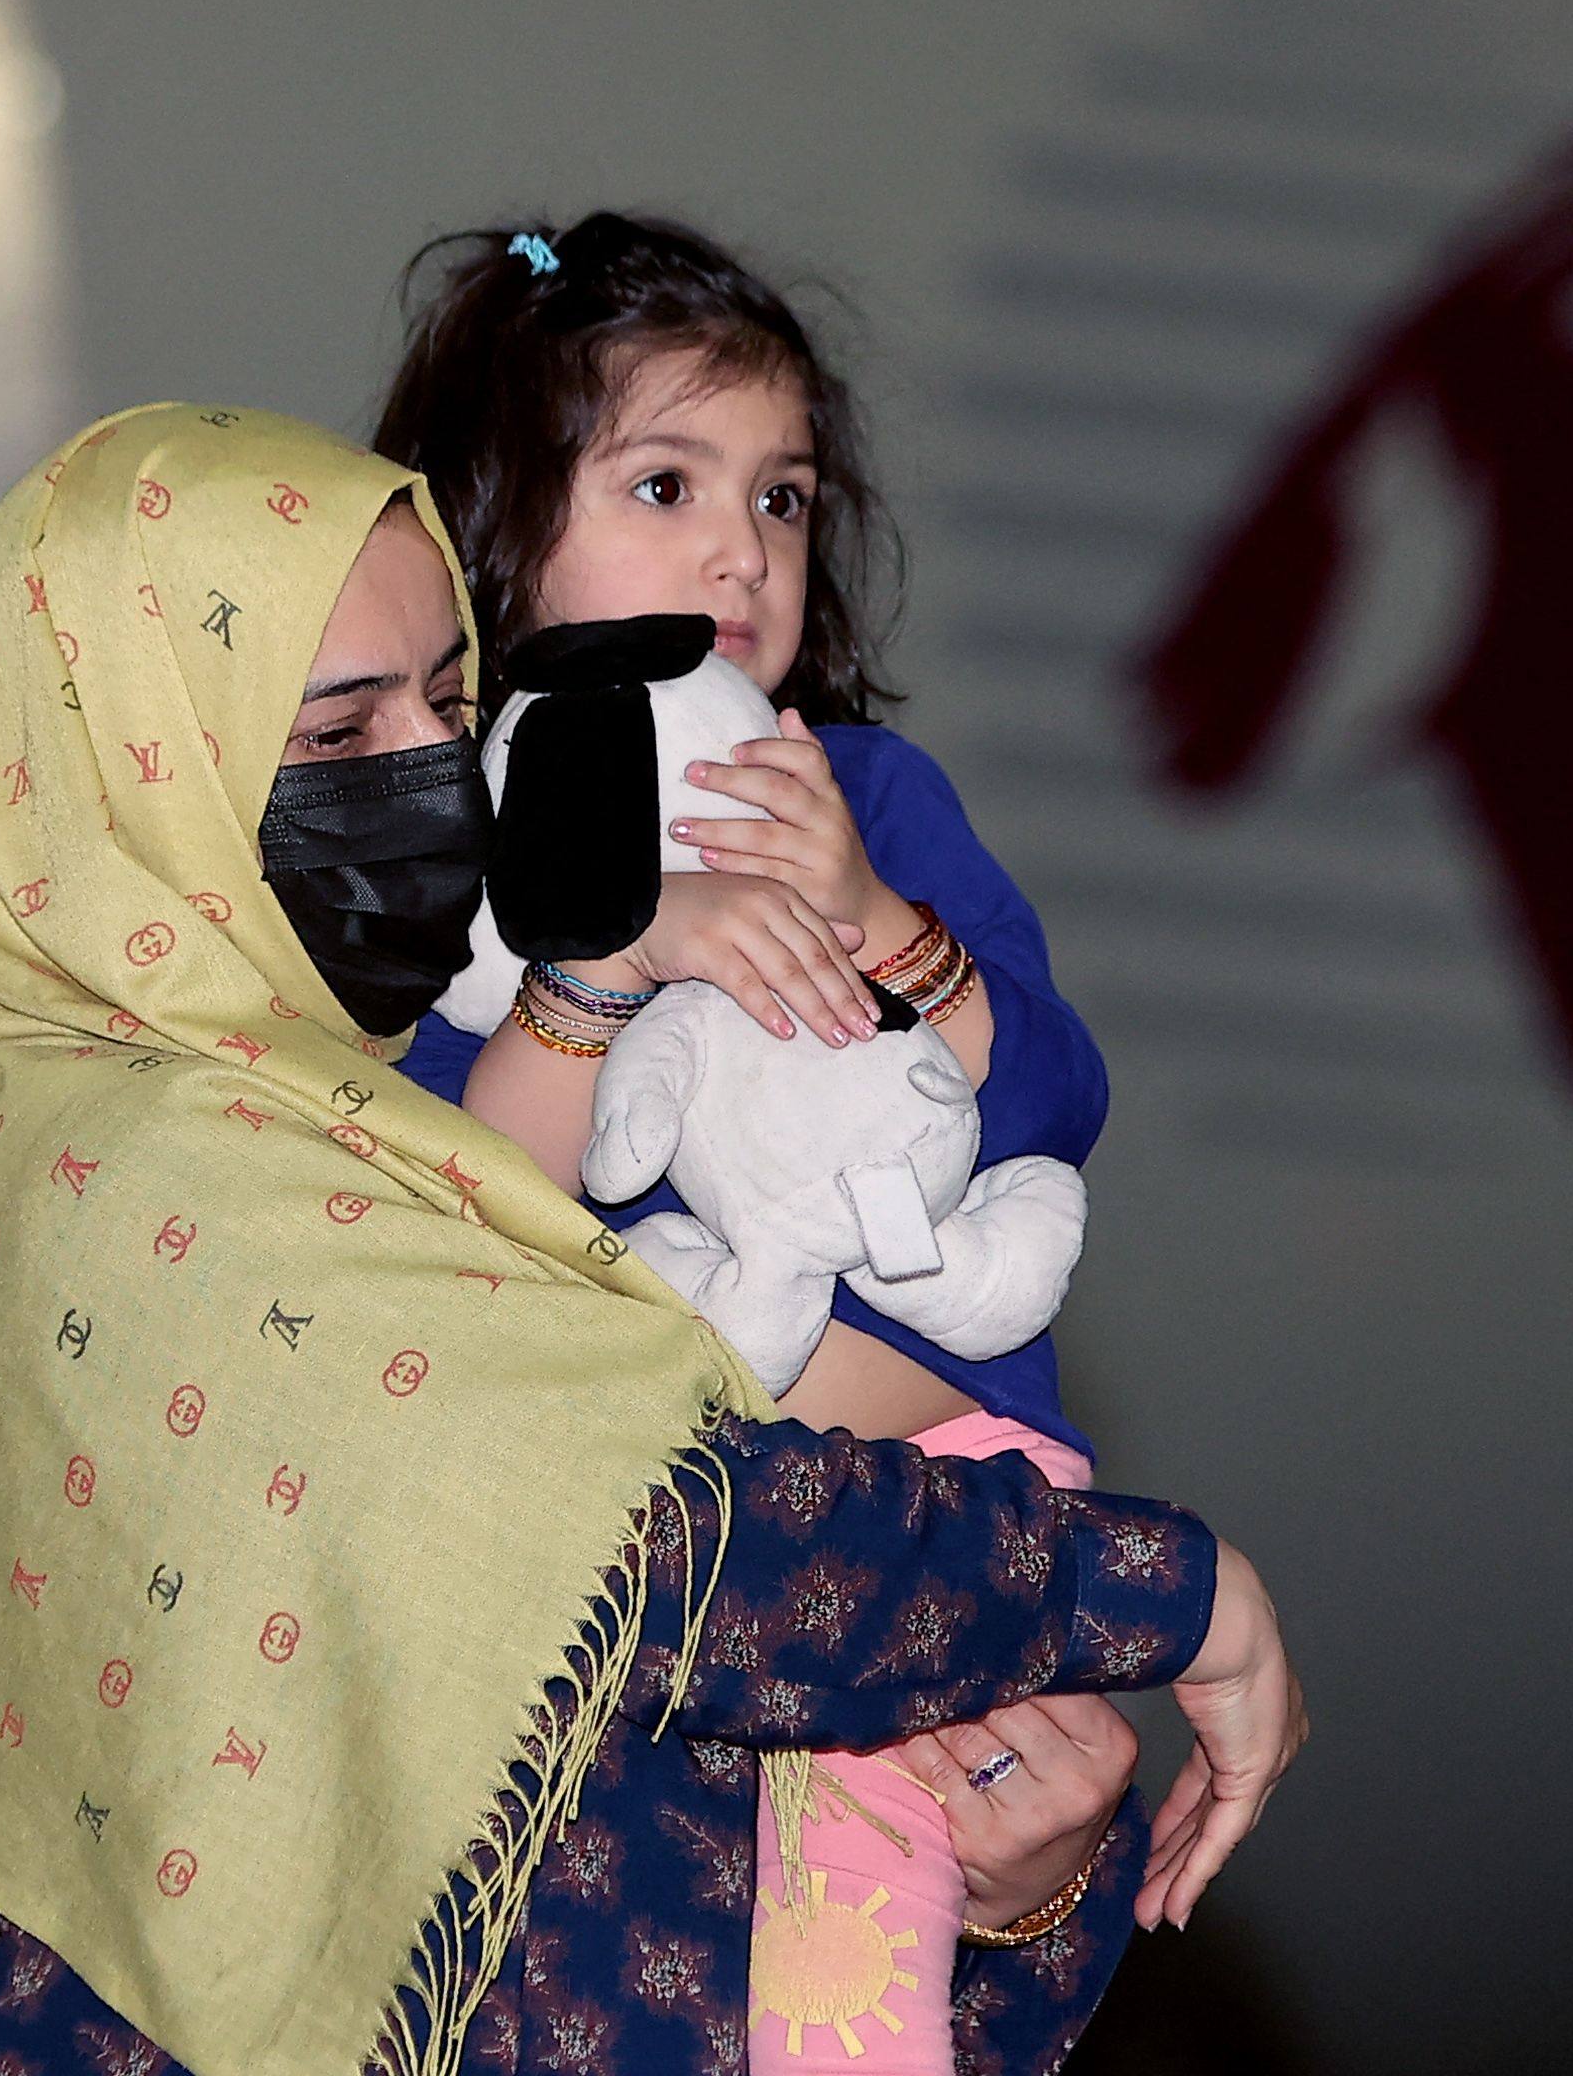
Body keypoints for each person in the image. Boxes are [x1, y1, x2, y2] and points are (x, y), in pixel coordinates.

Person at [0, 403, 1301, 2076]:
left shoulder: (385, 1121)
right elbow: (653, 1544)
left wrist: (1019, 1901)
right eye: (341, 724)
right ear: (125, 777)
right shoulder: (128, 1171)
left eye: (450, 706)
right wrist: (1166, 1591)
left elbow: (669, 1925)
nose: (430, 772)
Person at [372, 213, 1175, 2072]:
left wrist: (881, 916)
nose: (743, 547)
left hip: (930, 1507)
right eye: (667, 484)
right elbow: (472, 1226)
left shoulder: (866, 790)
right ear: (492, 527)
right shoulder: (444, 860)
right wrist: (610, 952)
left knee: (865, 1967)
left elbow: (1052, 1102)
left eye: (787, 498)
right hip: (622, 1589)